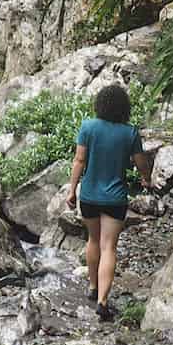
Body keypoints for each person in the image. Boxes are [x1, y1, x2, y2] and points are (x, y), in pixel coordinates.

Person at [65, 83, 156, 321]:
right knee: (109, 247)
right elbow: (141, 163)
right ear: (124, 108)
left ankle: (93, 287)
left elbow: (79, 160)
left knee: (93, 240)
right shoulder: (130, 132)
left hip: (90, 196)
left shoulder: (88, 127)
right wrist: (147, 179)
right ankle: (103, 301)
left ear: (100, 105)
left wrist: (72, 190)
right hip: (115, 198)